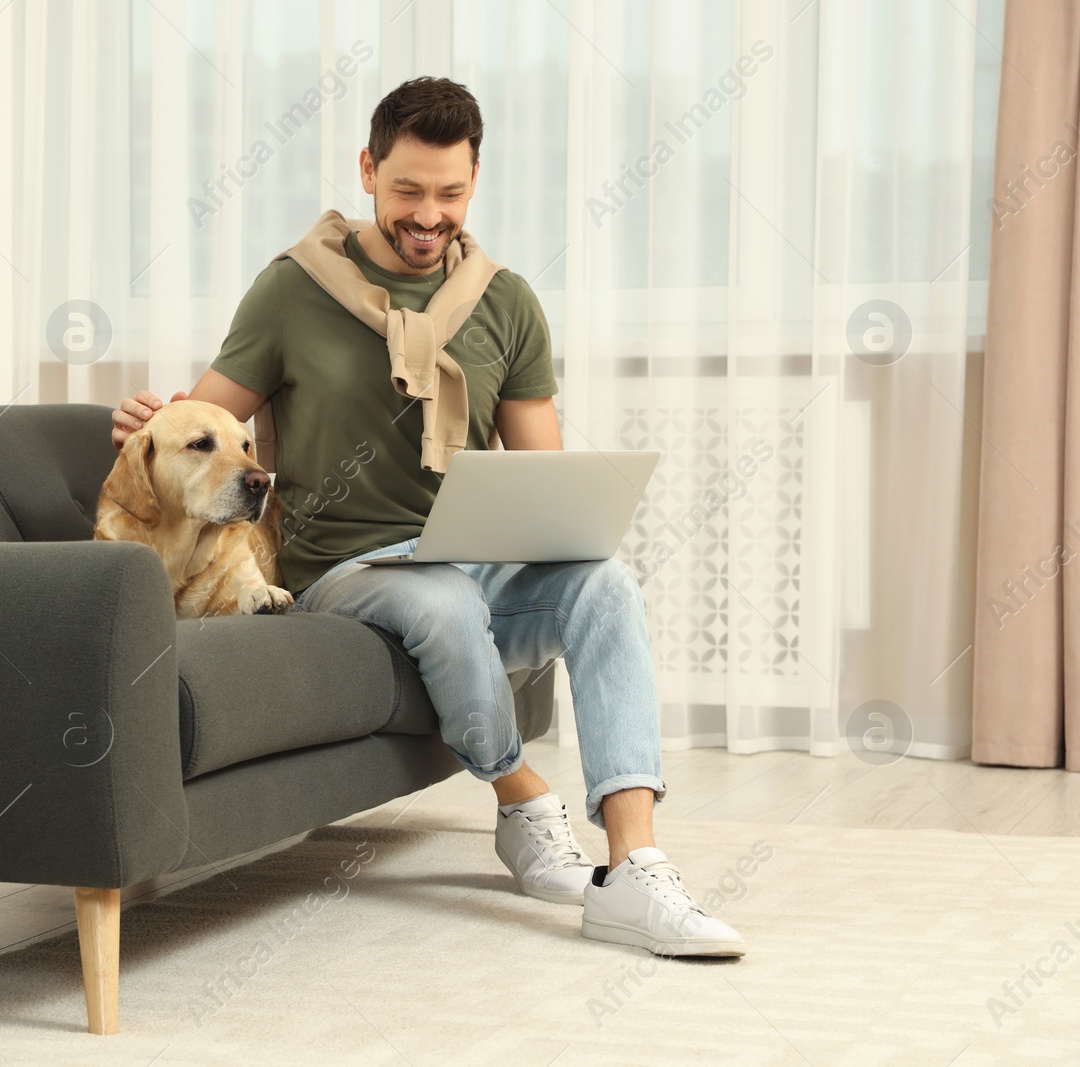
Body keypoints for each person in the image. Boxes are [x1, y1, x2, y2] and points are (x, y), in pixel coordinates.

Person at [110, 77, 744, 957]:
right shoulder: (295, 290)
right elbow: (208, 422)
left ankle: (634, 870)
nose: (427, 214)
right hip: (347, 572)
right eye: (406, 190)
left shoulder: (504, 300)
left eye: (449, 193)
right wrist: (145, 420)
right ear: (368, 171)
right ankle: (523, 800)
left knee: (605, 584)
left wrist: (563, 526)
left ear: (474, 181)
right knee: (444, 601)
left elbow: (541, 476)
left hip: (468, 556)